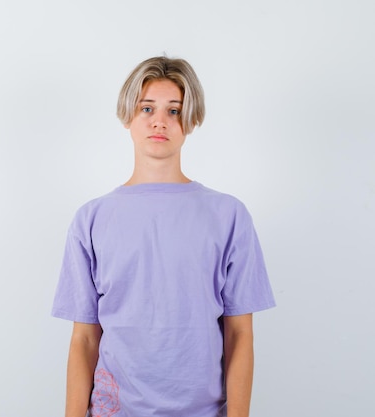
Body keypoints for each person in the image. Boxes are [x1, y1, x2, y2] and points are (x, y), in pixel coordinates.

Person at [51, 56, 276, 417]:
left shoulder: (228, 215)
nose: (160, 121)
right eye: (146, 108)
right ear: (128, 116)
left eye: (174, 110)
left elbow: (239, 334)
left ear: (192, 119)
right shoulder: (91, 219)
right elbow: (84, 338)